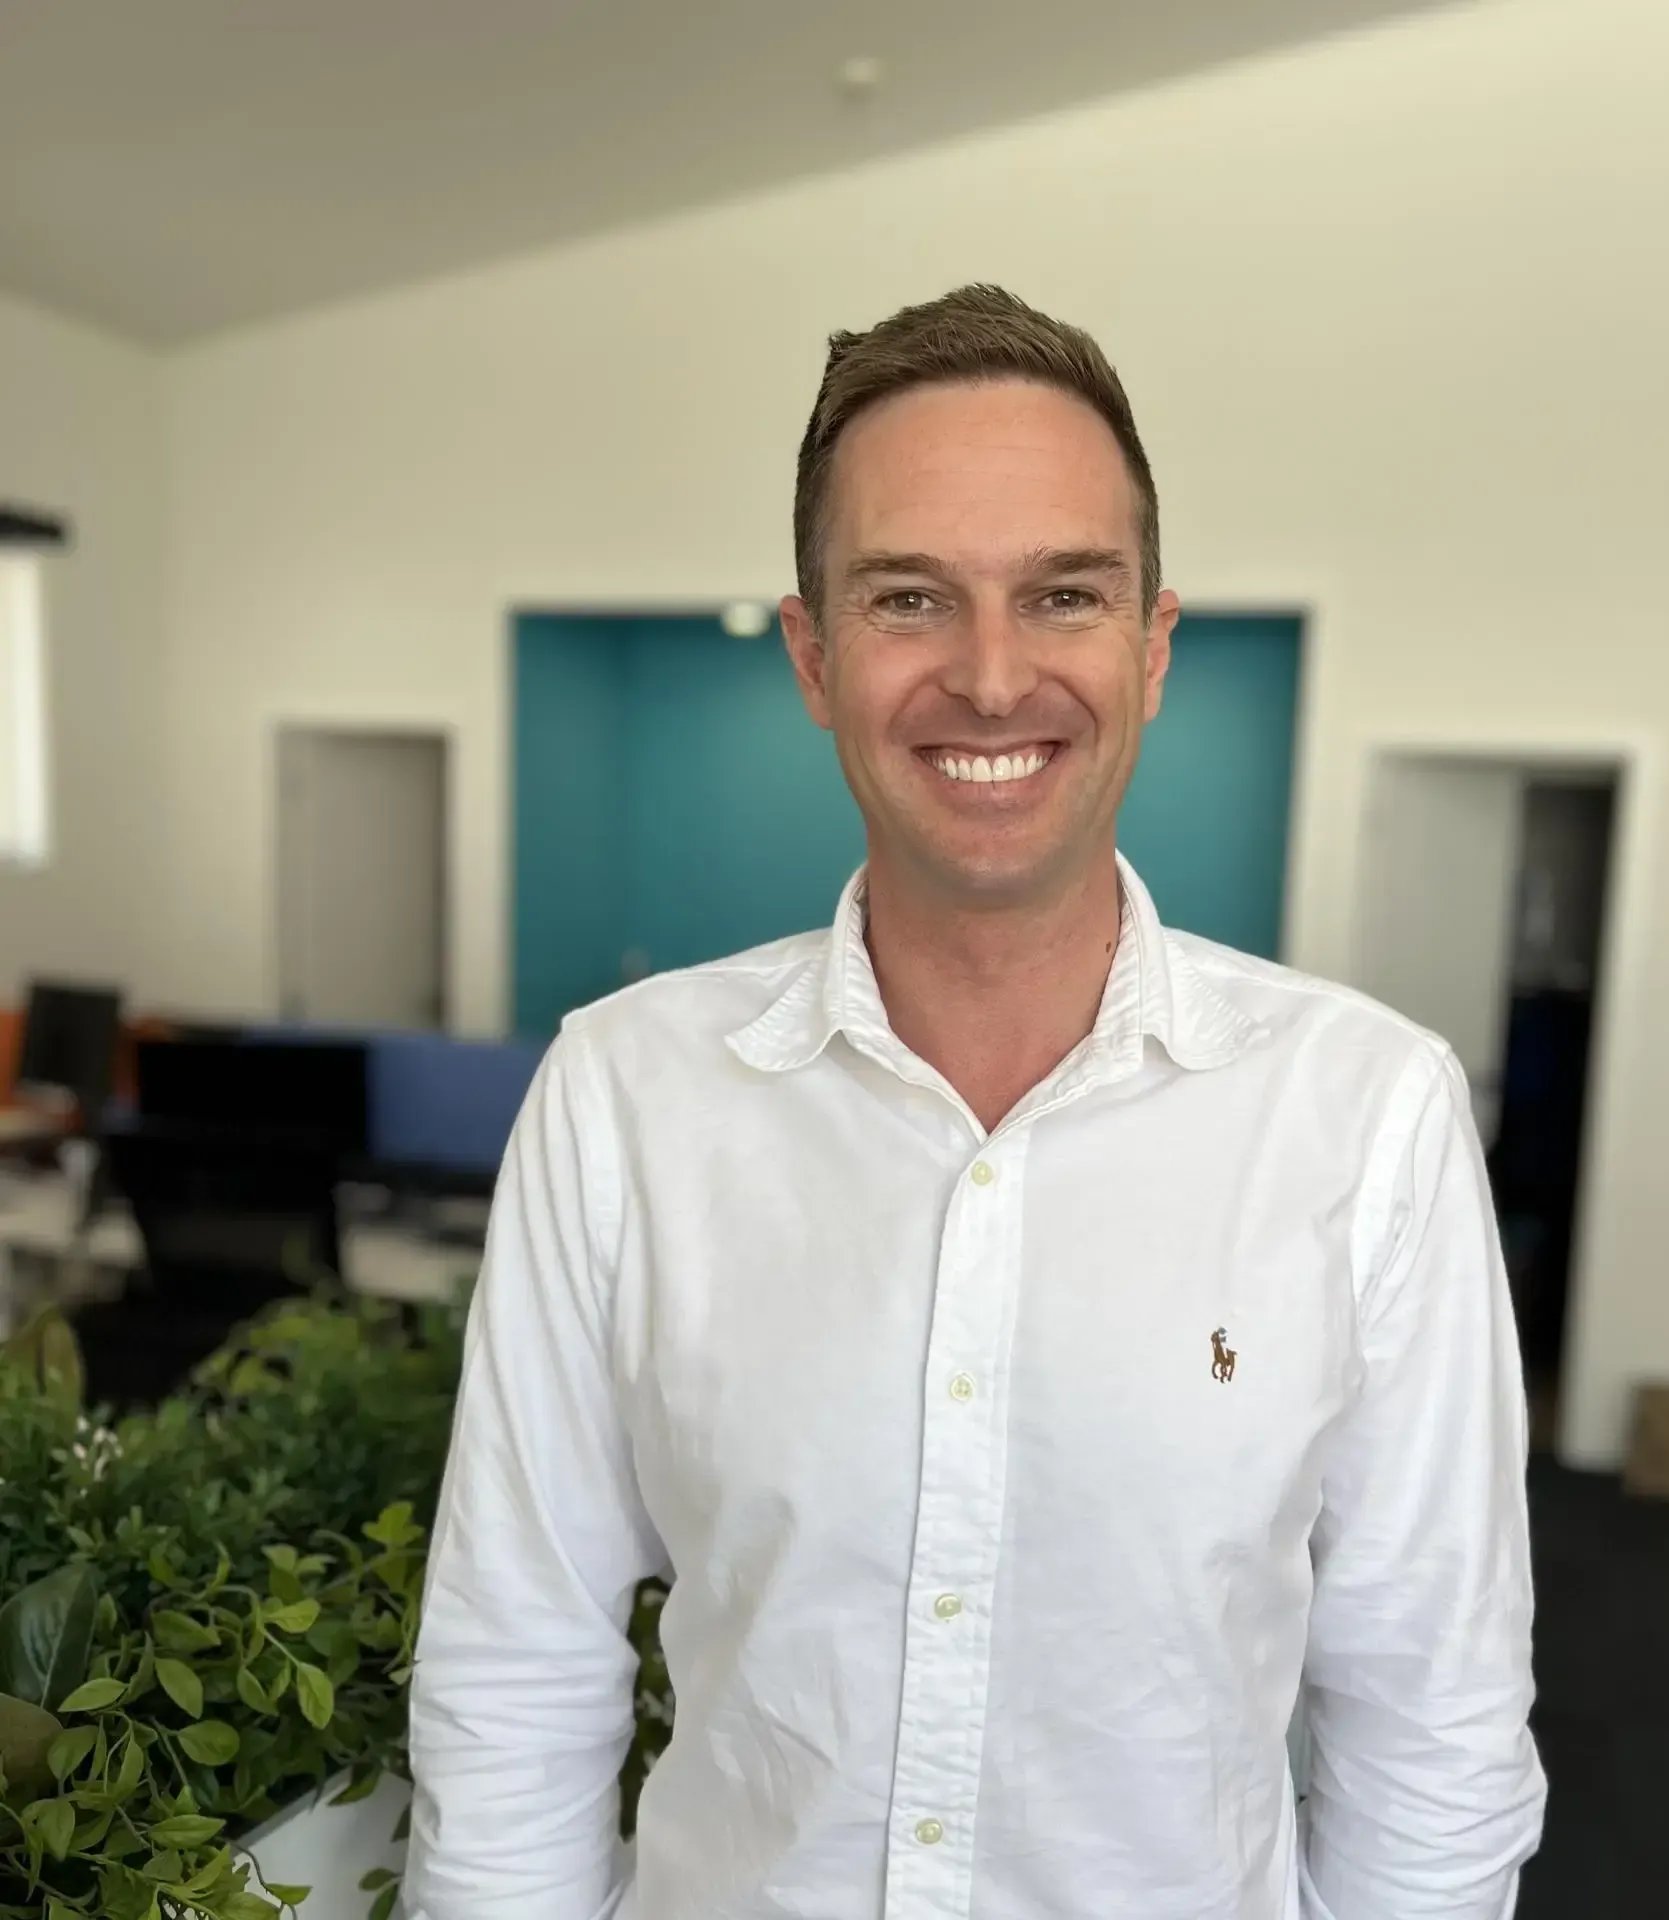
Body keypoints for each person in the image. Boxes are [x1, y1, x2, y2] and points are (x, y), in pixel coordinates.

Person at [405, 284, 1546, 1920]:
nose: (994, 677)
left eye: (1064, 594)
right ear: (814, 654)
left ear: (1153, 648)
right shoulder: (625, 1094)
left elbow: (1429, 1728)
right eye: (910, 598)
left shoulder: (1367, 1119)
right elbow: (517, 1670)